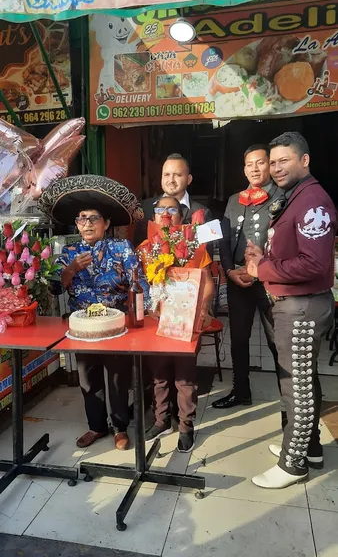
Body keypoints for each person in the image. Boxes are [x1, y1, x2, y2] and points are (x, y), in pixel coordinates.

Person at [246, 131, 336, 489]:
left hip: (301, 307)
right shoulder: (295, 196)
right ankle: (310, 447)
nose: (276, 167)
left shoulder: (313, 201)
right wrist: (265, 258)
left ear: (305, 160)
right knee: (303, 380)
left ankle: (293, 463)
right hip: (295, 305)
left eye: (285, 160)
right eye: (273, 161)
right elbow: (293, 251)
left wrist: (261, 270)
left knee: (295, 387)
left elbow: (313, 264)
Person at [38, 175, 150, 451]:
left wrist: (141, 315)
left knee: (116, 378)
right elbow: (54, 291)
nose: (86, 224)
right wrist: (70, 270)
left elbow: (141, 285)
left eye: (93, 218)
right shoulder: (68, 252)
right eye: (81, 219)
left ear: (107, 223)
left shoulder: (121, 249)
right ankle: (96, 426)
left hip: (117, 325)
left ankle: (120, 428)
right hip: (83, 328)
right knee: (88, 378)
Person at [138, 195, 214, 453]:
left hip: (186, 323)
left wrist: (199, 312)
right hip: (155, 323)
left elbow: (208, 284)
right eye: (160, 209)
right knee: (158, 376)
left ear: (182, 216)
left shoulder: (194, 246)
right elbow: (137, 285)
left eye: (172, 209)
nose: (166, 213)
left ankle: (186, 426)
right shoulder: (144, 248)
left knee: (185, 379)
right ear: (153, 215)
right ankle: (161, 421)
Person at [213, 145, 282, 409]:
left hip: (269, 281)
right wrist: (230, 270)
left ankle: (288, 399)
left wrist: (260, 270)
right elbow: (226, 238)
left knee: (277, 341)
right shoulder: (234, 199)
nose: (254, 168)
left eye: (260, 163)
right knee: (238, 340)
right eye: (249, 164)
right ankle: (241, 391)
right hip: (238, 279)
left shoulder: (282, 196)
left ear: (270, 165)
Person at [134, 153, 213, 246]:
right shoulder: (145, 207)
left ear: (189, 179)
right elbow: (137, 247)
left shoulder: (203, 213)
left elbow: (206, 254)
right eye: (166, 174)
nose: (171, 180)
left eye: (177, 175)